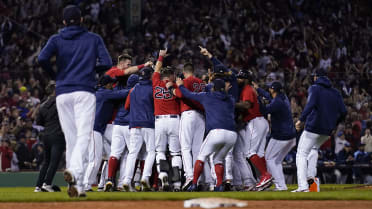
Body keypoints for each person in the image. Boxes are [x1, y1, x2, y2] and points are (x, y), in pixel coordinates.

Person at [38, 5, 112, 197]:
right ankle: (75, 171)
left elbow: (42, 58)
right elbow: (107, 63)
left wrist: (56, 75)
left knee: (72, 140)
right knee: (83, 136)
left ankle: (77, 186)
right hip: (84, 91)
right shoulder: (94, 38)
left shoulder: (56, 38)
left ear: (63, 22)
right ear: (81, 20)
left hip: (62, 93)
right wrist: (91, 71)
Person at [175, 78, 237, 192]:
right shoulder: (230, 99)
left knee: (201, 156)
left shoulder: (207, 96)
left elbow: (188, 94)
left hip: (216, 132)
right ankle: (219, 185)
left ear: (213, 88)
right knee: (218, 159)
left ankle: (193, 184)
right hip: (232, 135)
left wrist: (180, 85)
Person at [293, 69, 347, 192]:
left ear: (316, 77)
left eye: (314, 77)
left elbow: (310, 104)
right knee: (313, 149)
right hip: (327, 131)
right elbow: (344, 112)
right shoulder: (336, 92)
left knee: (301, 154)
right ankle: (311, 181)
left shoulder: (315, 88)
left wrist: (301, 120)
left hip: (314, 127)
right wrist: (335, 124)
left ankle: (303, 186)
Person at [82, 75, 130, 192]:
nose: (112, 86)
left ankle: (103, 183)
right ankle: (86, 185)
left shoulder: (99, 92)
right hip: (93, 129)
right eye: (110, 84)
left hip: (97, 129)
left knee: (110, 156)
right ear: (106, 85)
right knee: (95, 159)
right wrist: (136, 87)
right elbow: (122, 94)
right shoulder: (104, 93)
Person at [235, 70, 273, 191]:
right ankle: (265, 179)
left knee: (249, 152)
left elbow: (246, 105)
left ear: (246, 79)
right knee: (260, 153)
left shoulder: (247, 89)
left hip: (255, 121)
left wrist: (232, 103)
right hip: (261, 121)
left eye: (240, 78)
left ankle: (265, 175)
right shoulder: (249, 89)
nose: (238, 80)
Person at [255, 81, 296, 191]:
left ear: (273, 90)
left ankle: (279, 185)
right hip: (291, 137)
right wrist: (258, 89)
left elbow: (265, 110)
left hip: (282, 136)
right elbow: (269, 96)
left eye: (270, 88)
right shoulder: (283, 97)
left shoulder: (277, 101)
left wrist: (258, 100)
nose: (269, 90)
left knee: (269, 158)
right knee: (277, 161)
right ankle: (282, 186)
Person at [172, 63, 206, 191]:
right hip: (201, 116)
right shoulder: (202, 83)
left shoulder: (186, 81)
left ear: (184, 72)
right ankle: (199, 178)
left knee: (185, 148)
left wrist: (172, 88)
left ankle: (190, 176)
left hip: (188, 114)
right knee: (197, 149)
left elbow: (181, 95)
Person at [152, 49, 182, 191]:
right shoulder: (175, 86)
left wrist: (161, 56)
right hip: (174, 121)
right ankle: (176, 184)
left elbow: (157, 68)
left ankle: (163, 175)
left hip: (159, 122)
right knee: (176, 153)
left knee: (160, 152)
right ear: (171, 76)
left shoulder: (156, 83)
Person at [122, 67, 155, 192]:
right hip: (148, 123)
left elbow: (126, 107)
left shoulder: (133, 89)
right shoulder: (152, 88)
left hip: (134, 124)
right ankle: (145, 178)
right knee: (151, 152)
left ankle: (126, 180)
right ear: (149, 76)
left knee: (133, 153)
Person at [104, 74, 139, 192]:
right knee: (132, 154)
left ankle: (110, 179)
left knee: (115, 153)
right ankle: (125, 182)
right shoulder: (136, 91)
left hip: (117, 124)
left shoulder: (120, 91)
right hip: (130, 125)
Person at [34, 81, 65, 192]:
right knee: (54, 162)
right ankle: (47, 184)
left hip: (46, 135)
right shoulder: (61, 102)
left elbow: (39, 122)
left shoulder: (42, 105)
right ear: (55, 90)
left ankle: (38, 186)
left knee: (46, 162)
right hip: (57, 135)